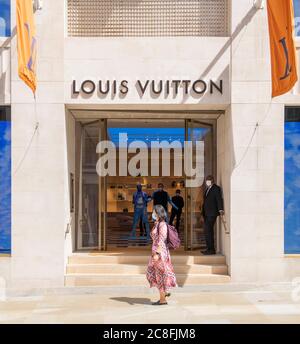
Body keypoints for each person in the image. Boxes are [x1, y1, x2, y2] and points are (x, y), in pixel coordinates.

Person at [146, 205, 177, 305]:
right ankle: (163, 296)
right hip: (156, 253)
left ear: (158, 213)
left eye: (154, 212)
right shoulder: (157, 223)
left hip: (160, 254)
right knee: (155, 275)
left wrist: (157, 253)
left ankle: (163, 298)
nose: (153, 214)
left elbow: (161, 240)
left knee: (160, 276)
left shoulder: (162, 225)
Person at [201, 175, 224, 255]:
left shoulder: (216, 188)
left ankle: (211, 249)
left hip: (212, 213)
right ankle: (209, 248)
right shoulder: (208, 189)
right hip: (206, 213)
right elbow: (205, 202)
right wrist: (202, 213)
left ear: (212, 180)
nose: (207, 181)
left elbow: (219, 199)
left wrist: (221, 209)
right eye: (207, 180)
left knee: (208, 230)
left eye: (209, 180)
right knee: (207, 231)